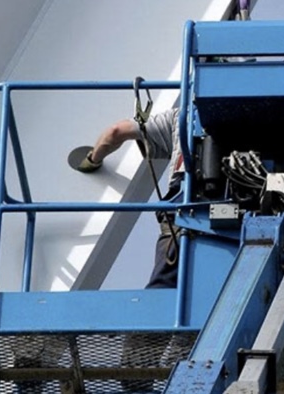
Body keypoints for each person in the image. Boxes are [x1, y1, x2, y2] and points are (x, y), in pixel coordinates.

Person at [77, 107, 191, 392]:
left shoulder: (182, 113)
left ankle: (136, 372)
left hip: (185, 217)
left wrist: (92, 159)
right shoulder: (273, 114)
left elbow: (116, 132)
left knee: (165, 289)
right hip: (254, 215)